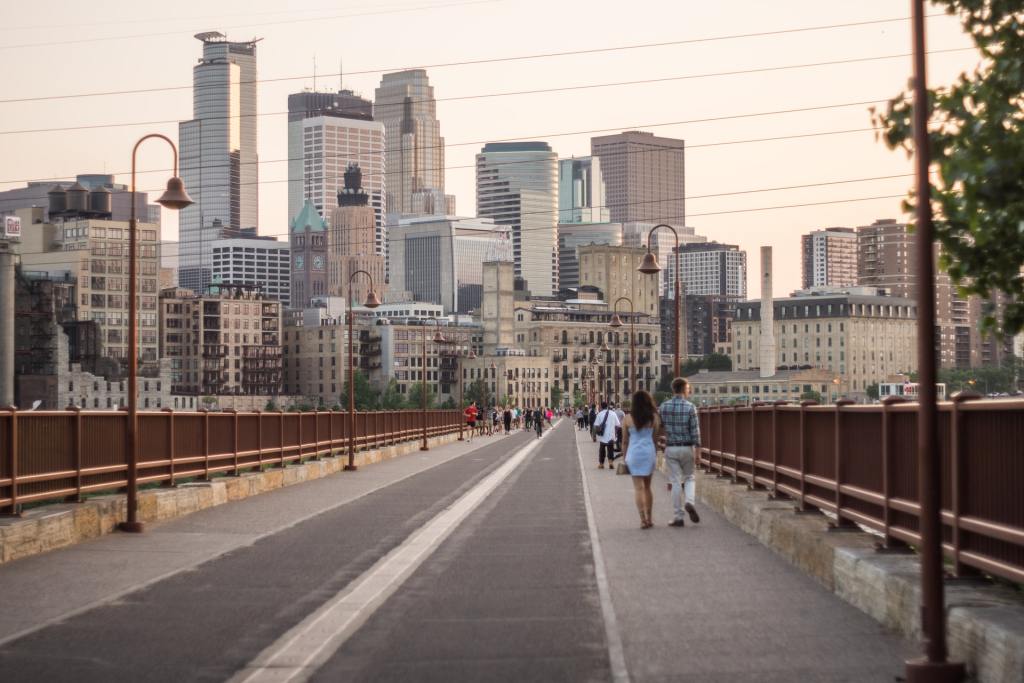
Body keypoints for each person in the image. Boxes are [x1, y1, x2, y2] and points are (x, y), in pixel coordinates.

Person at [659, 377, 701, 528]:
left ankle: (678, 516)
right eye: (688, 388)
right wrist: (698, 451)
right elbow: (695, 432)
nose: (689, 391)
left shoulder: (664, 407)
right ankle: (689, 501)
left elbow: (659, 426)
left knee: (675, 481)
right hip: (686, 447)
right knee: (689, 477)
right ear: (684, 389)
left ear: (673, 390)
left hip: (671, 447)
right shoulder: (691, 407)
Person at [622, 390, 662, 529]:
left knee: (638, 488)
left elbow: (625, 441)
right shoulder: (654, 418)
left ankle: (643, 519)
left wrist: (624, 457)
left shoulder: (627, 419)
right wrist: (654, 453)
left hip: (634, 454)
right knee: (648, 487)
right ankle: (650, 518)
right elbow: (655, 439)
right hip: (648, 452)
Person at [593, 402, 620, 469]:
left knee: (602, 450)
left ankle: (601, 464)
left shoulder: (599, 414)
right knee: (610, 449)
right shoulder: (613, 413)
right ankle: (611, 463)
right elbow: (618, 424)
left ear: (601, 407)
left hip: (602, 436)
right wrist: (615, 432)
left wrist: (597, 433)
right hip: (611, 435)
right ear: (607, 406)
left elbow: (596, 425)